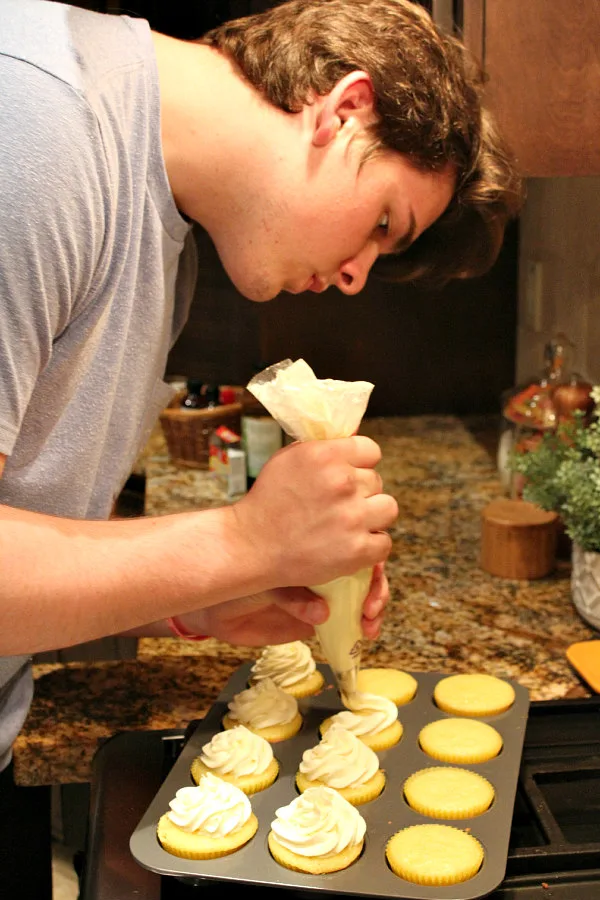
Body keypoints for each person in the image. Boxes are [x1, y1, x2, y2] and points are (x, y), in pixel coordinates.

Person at [0, 0, 522, 894]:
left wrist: (199, 596)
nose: (357, 276)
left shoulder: (165, 228)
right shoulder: (34, 123)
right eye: (385, 223)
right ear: (344, 109)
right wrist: (241, 540)